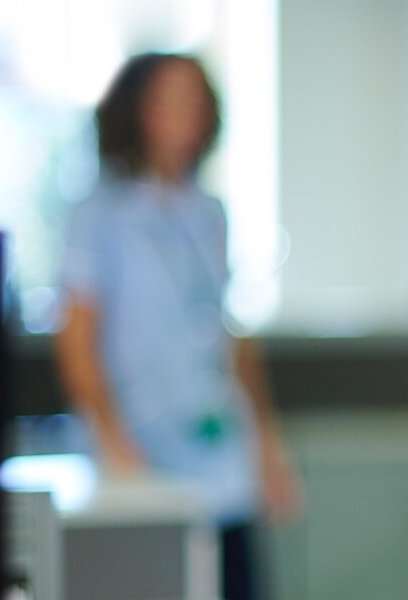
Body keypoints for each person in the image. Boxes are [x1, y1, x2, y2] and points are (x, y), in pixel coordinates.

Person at [53, 53, 301, 600]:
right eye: (166, 100)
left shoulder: (208, 212)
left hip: (218, 451)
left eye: (193, 101)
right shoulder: (100, 213)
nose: (182, 114)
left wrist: (266, 446)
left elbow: (227, 335)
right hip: (140, 452)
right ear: (135, 110)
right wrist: (117, 447)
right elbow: (76, 338)